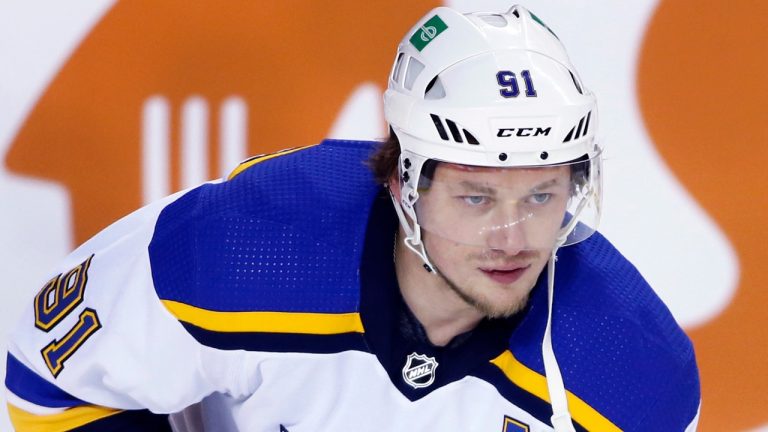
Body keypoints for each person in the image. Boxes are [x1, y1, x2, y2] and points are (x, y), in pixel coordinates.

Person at [5, 5, 700, 431]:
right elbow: (47, 383)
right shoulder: (237, 251)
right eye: (476, 197)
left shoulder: (635, 373)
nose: (513, 239)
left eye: (542, 195)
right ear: (404, 183)